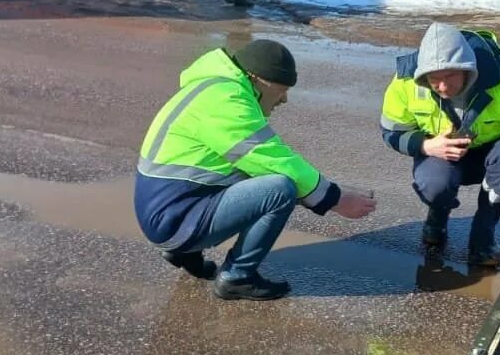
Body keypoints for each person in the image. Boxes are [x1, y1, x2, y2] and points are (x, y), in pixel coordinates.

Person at [135, 39, 377, 301]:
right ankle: (237, 277)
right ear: (257, 79)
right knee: (280, 188)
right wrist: (336, 199)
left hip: (170, 208)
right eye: (282, 89)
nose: (284, 98)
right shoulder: (227, 102)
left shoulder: (214, 88)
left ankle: (185, 251)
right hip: (173, 218)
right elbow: (275, 161)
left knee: (256, 172)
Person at [380, 22, 500, 267]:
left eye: (450, 76)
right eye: (434, 79)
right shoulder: (405, 83)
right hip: (440, 153)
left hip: (493, 155)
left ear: (468, 69)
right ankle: (437, 215)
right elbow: (391, 132)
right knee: (434, 183)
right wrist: (425, 146)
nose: (443, 87)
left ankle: (483, 234)